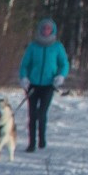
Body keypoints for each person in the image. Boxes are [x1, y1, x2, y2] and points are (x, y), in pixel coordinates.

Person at [17, 18, 67, 150]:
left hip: (49, 85)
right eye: (44, 28)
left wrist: (61, 76)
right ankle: (31, 143)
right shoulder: (33, 46)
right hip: (32, 85)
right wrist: (23, 78)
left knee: (42, 113)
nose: (46, 31)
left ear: (52, 31)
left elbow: (64, 64)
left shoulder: (57, 47)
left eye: (48, 29)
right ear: (40, 30)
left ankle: (42, 139)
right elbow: (24, 65)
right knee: (32, 114)